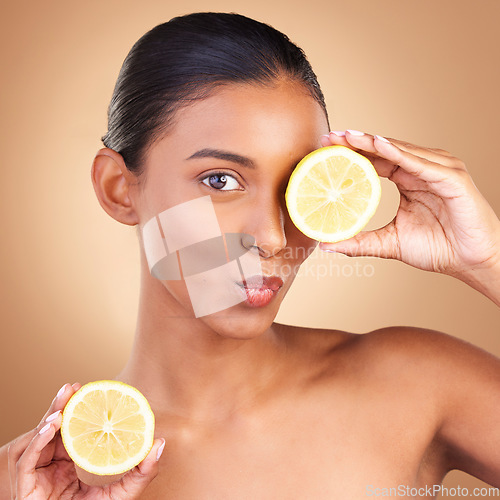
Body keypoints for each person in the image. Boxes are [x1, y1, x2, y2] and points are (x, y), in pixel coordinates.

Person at [2, 11, 500, 499]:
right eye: (221, 181)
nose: (273, 237)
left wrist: (489, 262)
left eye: (296, 186)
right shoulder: (33, 481)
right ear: (119, 189)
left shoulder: (415, 383)